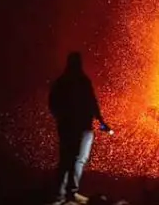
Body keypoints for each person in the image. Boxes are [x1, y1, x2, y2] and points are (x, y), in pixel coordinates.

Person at [48, 51, 111, 205]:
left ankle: (66, 194)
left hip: (76, 128)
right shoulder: (77, 82)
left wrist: (101, 121)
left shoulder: (65, 82)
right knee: (74, 160)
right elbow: (91, 103)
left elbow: (54, 103)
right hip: (79, 128)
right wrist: (100, 121)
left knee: (73, 160)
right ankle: (64, 195)